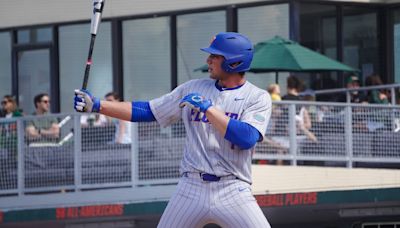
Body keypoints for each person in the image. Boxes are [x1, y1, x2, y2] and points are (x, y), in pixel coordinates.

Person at [74, 32, 271, 227]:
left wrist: (208, 109)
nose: (208, 60)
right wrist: (98, 105)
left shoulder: (257, 97)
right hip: (192, 187)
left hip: (233, 188)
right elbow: (148, 110)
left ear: (234, 62)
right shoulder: (193, 88)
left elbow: (247, 137)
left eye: (215, 56)